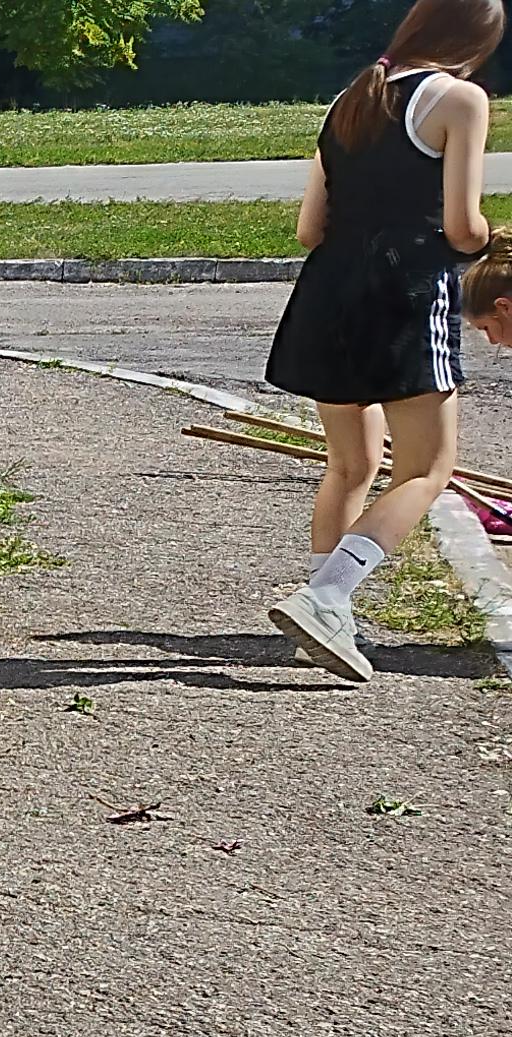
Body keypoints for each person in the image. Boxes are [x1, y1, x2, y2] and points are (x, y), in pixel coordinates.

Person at [264, 0, 500, 683]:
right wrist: (490, 238)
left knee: (349, 465)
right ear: (476, 42)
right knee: (428, 470)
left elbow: (311, 228)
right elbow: (460, 228)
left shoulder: (351, 97)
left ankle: (325, 604)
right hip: (404, 294)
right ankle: (329, 596)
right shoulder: (460, 99)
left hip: (328, 292)